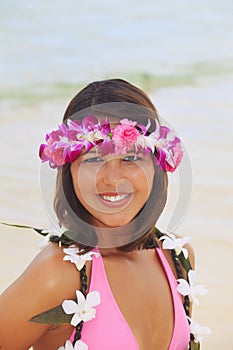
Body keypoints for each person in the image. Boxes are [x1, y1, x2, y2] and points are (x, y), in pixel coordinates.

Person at [0, 78, 200, 350]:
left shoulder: (177, 256)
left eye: (131, 158)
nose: (113, 179)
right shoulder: (57, 274)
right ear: (69, 171)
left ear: (156, 166)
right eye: (93, 159)